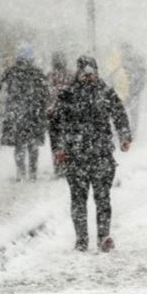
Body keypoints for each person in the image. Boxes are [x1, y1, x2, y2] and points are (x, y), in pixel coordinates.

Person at [49, 56, 132, 252]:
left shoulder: (105, 92)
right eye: (84, 74)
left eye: (91, 73)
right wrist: (59, 149)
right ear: (79, 74)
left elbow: (119, 114)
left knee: (103, 198)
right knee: (78, 200)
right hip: (75, 157)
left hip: (101, 155)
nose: (88, 77)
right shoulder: (67, 95)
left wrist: (124, 136)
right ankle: (81, 240)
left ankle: (103, 237)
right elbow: (56, 125)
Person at [0, 45, 49, 182]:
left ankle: (21, 172)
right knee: (32, 145)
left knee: (19, 144)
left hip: (17, 114)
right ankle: (32, 173)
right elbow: (45, 94)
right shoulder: (37, 73)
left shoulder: (11, 72)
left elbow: (1, 88)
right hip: (34, 115)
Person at [47, 52, 73, 177]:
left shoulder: (50, 76)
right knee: (68, 140)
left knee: (55, 141)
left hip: (53, 114)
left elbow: (45, 96)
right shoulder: (71, 76)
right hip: (69, 114)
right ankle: (67, 165)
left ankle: (58, 166)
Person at [120, 43, 147, 137]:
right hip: (124, 92)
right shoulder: (118, 60)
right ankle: (126, 132)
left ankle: (131, 132)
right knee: (124, 113)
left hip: (132, 91)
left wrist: (138, 88)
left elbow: (143, 75)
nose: (125, 51)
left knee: (132, 113)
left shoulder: (136, 60)